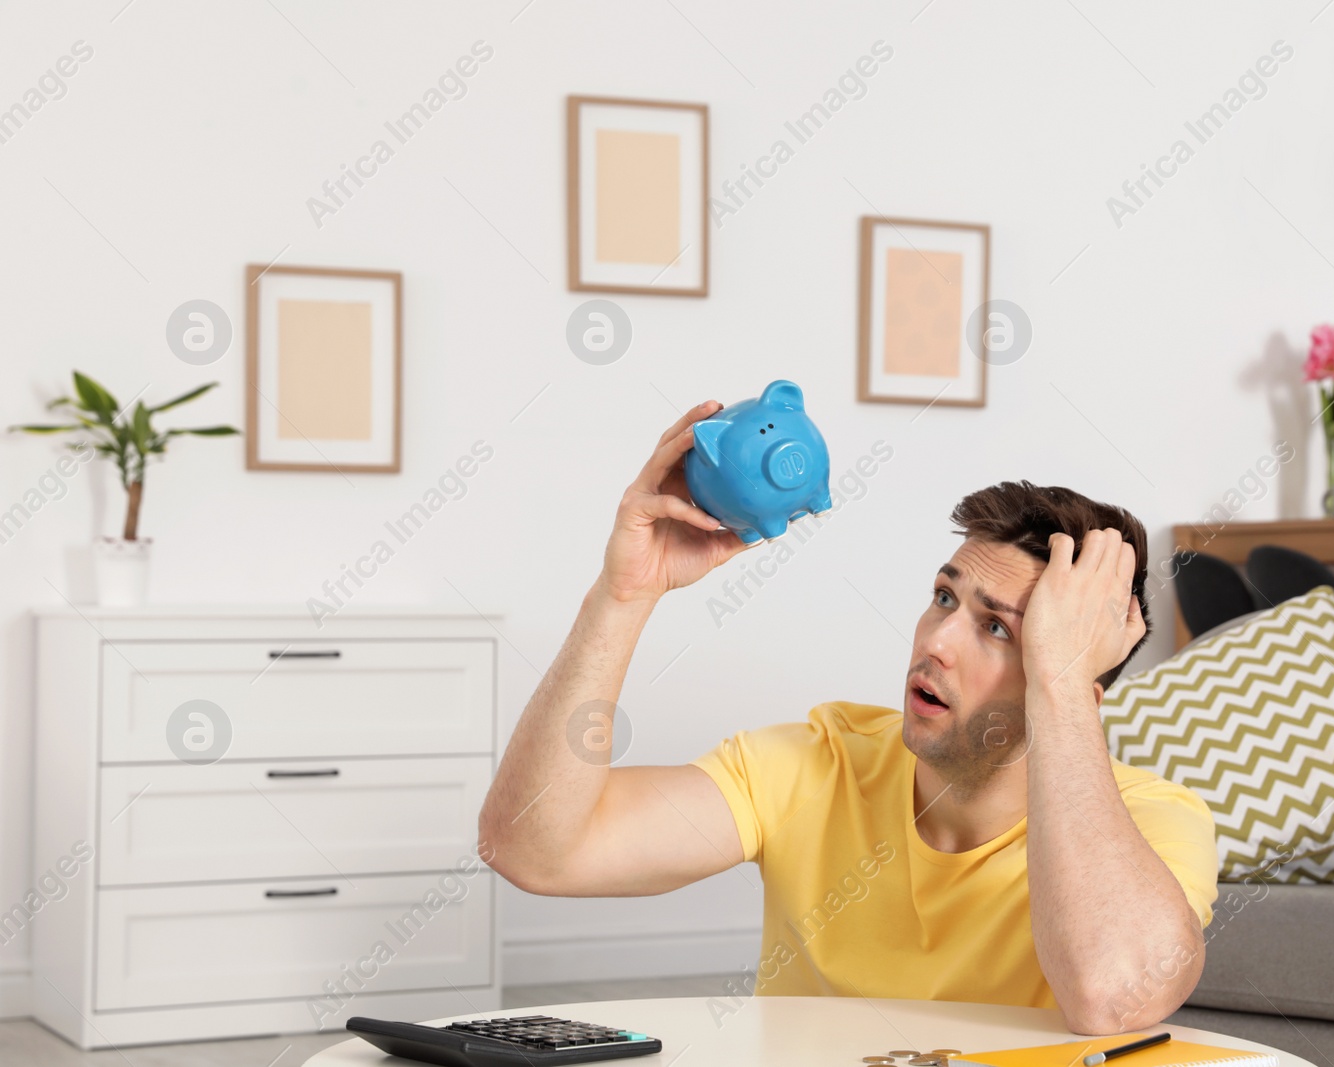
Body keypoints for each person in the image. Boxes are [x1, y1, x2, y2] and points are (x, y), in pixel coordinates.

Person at [479, 400, 1217, 1034]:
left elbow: (1112, 995)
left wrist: (1060, 681)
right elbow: (530, 847)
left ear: (1073, 687)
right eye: (944, 597)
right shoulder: (819, 764)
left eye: (999, 629)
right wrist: (624, 593)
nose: (937, 641)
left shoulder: (1156, 822)